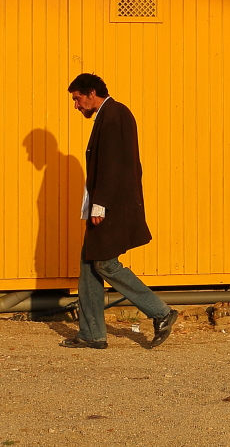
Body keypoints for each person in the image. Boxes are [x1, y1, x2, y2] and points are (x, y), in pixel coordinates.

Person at [62, 73, 178, 350]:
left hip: (111, 206)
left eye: (77, 99)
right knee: (89, 265)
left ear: (92, 93)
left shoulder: (114, 114)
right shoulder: (111, 114)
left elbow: (112, 163)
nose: (76, 105)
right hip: (108, 203)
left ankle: (161, 312)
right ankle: (92, 334)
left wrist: (100, 204)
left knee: (104, 263)